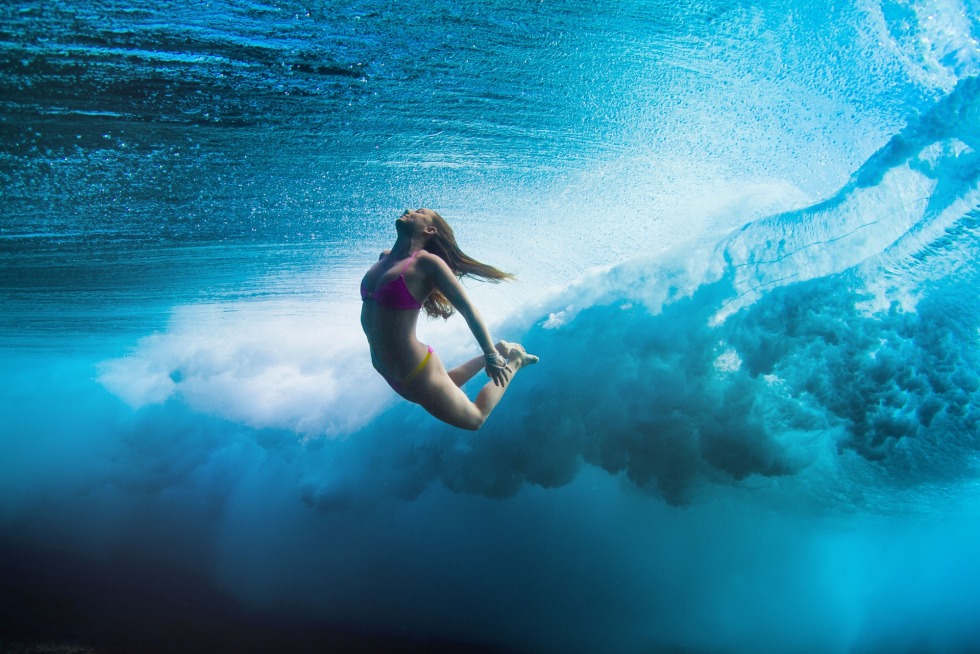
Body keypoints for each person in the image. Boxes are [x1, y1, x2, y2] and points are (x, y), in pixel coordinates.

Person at [360, 208, 538, 430]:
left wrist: (490, 355)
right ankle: (500, 349)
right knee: (444, 386)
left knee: (475, 419)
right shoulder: (384, 258)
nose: (409, 210)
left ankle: (515, 360)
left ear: (430, 230)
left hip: (415, 370)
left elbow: (468, 309)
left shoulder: (428, 263)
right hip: (388, 370)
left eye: (419, 212)